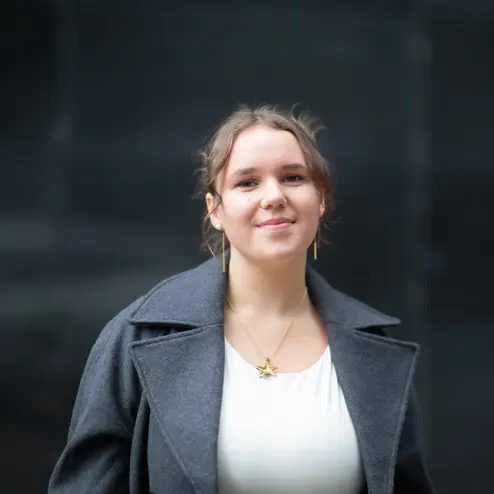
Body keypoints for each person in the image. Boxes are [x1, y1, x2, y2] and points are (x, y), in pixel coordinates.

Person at [48, 105, 435, 494]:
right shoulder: (138, 336)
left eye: (293, 177)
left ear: (320, 198)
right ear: (215, 210)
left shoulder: (374, 348)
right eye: (247, 183)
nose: (274, 196)